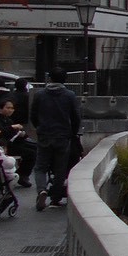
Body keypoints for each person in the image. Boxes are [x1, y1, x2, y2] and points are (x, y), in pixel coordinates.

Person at [30, 68, 82, 211]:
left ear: (50, 79)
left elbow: (33, 115)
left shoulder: (40, 95)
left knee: (40, 166)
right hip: (63, 136)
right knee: (60, 168)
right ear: (65, 79)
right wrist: (73, 133)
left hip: (44, 135)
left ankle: (41, 190)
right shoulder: (69, 95)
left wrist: (39, 128)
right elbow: (76, 117)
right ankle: (55, 199)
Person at [0, 96, 35, 186]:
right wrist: (12, 128)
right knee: (30, 153)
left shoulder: (9, 120)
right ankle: (22, 175)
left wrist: (22, 134)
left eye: (12, 108)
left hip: (12, 143)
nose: (10, 110)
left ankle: (22, 174)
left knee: (34, 147)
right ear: (1, 108)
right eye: (8, 108)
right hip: (2, 146)